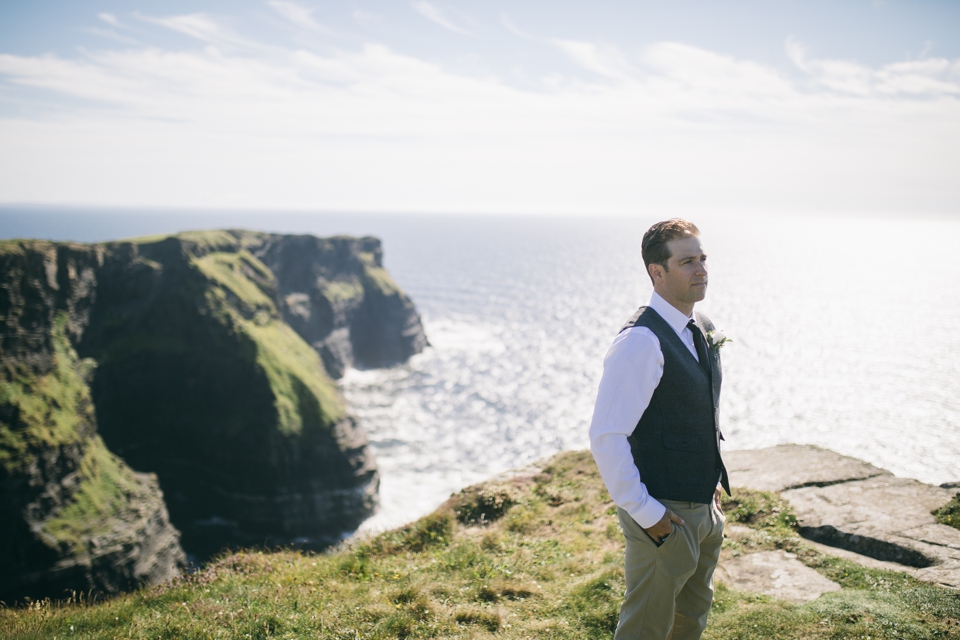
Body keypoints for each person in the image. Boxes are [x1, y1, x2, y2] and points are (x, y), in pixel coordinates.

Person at [589, 218, 730, 640]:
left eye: (702, 259)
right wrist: (647, 513)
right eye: (687, 261)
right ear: (658, 271)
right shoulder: (640, 342)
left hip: (703, 510)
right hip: (663, 514)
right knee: (645, 628)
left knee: (690, 620)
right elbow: (607, 436)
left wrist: (711, 488)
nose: (701, 269)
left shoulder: (699, 326)